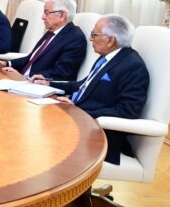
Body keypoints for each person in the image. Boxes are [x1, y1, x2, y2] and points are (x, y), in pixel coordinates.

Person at [33, 14, 149, 165]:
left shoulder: (132, 66)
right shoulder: (107, 57)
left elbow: (128, 110)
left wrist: (78, 110)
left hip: (98, 136)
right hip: (76, 121)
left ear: (110, 40)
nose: (90, 39)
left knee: (38, 139)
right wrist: (50, 84)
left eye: (94, 34)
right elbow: (84, 85)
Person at [0, 0, 87, 81]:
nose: (42, 17)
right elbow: (31, 59)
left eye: (47, 13)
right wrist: (5, 63)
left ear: (62, 16)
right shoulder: (52, 31)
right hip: (23, 81)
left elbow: (61, 73)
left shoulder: (74, 38)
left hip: (40, 88)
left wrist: (25, 78)